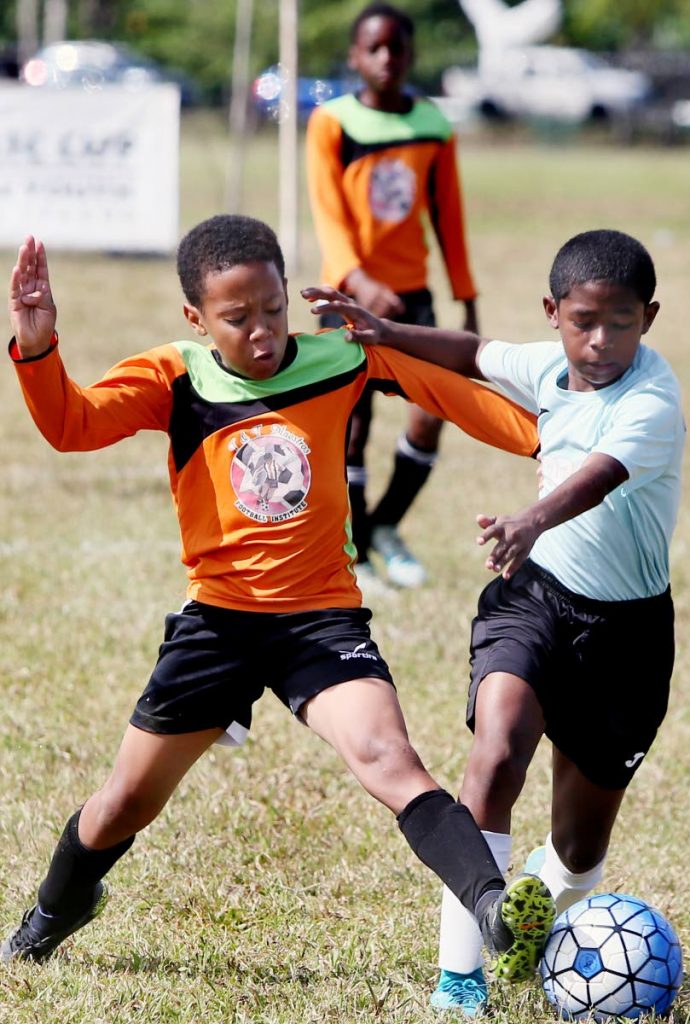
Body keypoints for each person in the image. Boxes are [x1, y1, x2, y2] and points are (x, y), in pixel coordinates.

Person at [2, 216, 555, 980]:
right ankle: (53, 912)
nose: (261, 333)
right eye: (236, 318)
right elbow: (72, 425)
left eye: (272, 309)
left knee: (388, 757)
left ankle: (494, 911)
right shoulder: (177, 375)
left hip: (319, 619)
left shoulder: (342, 359)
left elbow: (455, 396)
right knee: (123, 804)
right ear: (195, 318)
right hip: (218, 624)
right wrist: (37, 348)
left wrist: (552, 444)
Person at [303, 227, 685, 1016]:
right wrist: (386, 332)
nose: (601, 339)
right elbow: (474, 352)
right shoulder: (550, 365)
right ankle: (460, 978)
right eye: (583, 320)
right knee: (496, 753)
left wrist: (533, 517)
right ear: (553, 312)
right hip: (535, 600)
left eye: (621, 321)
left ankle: (531, 914)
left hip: (629, 637)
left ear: (649, 316)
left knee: (580, 853)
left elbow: (597, 478)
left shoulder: (654, 397)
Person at [306, 2, 479, 590]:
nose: (386, 58)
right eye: (373, 48)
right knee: (352, 426)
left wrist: (467, 296)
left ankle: (384, 527)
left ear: (411, 54)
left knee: (432, 414)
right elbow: (329, 216)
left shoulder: (432, 125)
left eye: (396, 47)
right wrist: (361, 281)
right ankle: (351, 556)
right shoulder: (332, 122)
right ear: (355, 56)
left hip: (412, 300)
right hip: (348, 296)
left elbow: (448, 217)